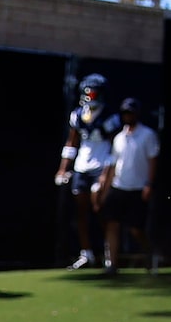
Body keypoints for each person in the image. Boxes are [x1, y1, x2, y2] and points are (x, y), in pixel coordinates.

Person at [56, 73, 116, 272]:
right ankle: (86, 253)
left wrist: (107, 173)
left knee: (100, 209)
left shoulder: (110, 117)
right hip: (82, 166)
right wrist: (63, 168)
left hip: (102, 166)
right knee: (80, 212)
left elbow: (115, 146)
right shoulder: (77, 115)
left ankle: (109, 254)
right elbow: (71, 142)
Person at [100, 97, 161, 273]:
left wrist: (149, 183)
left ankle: (149, 254)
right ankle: (112, 264)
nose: (127, 116)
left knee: (136, 229)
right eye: (125, 113)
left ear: (137, 114)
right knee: (112, 223)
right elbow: (112, 164)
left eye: (130, 112)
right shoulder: (119, 138)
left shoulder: (148, 135)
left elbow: (152, 160)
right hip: (119, 186)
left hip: (138, 188)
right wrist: (105, 185)